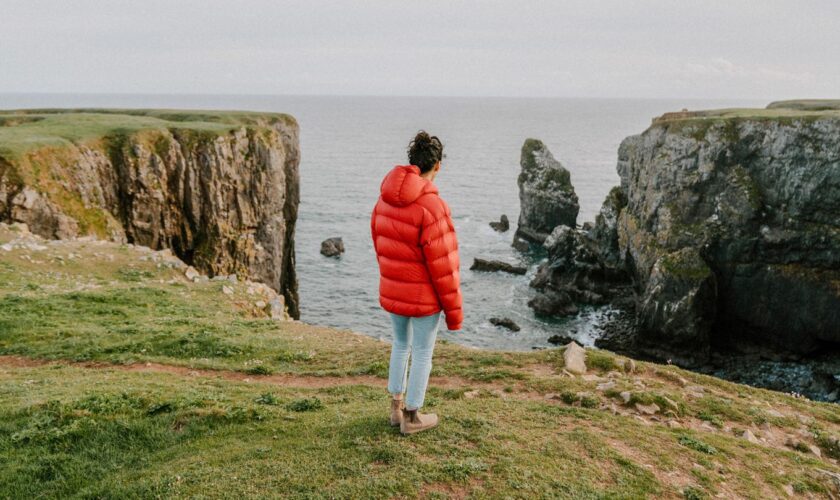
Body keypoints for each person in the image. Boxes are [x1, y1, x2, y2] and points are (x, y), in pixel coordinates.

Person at [370, 131, 463, 435]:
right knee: (422, 352)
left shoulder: (383, 200)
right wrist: (454, 313)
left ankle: (395, 409)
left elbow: (380, 245)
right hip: (424, 298)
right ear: (437, 165)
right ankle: (412, 418)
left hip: (395, 290)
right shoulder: (433, 207)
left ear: (412, 162)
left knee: (400, 344)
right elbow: (445, 267)